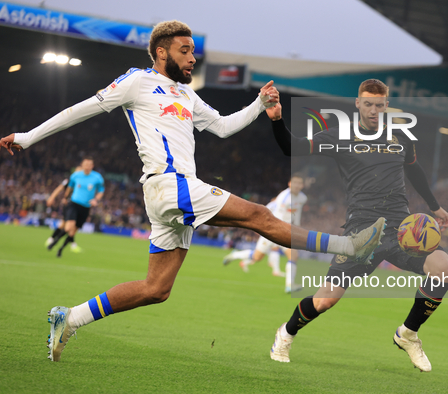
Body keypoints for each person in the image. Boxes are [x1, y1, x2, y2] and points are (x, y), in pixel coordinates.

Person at [0, 21, 386, 362]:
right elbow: (81, 109)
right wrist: (28, 137)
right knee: (259, 216)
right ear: (160, 51)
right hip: (171, 186)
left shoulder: (186, 95)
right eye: (185, 51)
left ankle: (70, 317)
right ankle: (349, 246)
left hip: (171, 193)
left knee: (156, 289)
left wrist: (258, 104)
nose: (192, 59)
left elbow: (221, 126)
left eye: (194, 53)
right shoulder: (137, 80)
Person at [266, 79, 448, 372]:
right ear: (357, 104)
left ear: (386, 106)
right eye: (368, 104)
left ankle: (407, 334)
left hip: (400, 231)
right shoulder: (338, 137)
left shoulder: (400, 138)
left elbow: (414, 171)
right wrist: (277, 120)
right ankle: (286, 333)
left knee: (443, 268)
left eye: (379, 105)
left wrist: (434, 206)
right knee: (325, 301)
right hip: (361, 233)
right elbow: (293, 147)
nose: (373, 110)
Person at [223, 174, 308, 292]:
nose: (297, 185)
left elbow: (297, 213)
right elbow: (278, 217)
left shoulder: (302, 198)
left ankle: (290, 285)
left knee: (293, 255)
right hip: (273, 229)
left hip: (286, 230)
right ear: (289, 184)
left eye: (299, 183)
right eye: (295, 182)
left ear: (302, 185)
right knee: (257, 257)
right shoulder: (284, 197)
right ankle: (235, 255)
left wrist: (297, 227)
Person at [46, 159, 104, 257]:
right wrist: (64, 198)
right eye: (85, 164)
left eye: (89, 165)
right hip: (73, 204)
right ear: (82, 165)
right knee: (67, 226)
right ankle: (53, 241)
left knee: (72, 232)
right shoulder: (75, 176)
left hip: (86, 207)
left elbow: (101, 190)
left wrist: (96, 200)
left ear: (92, 166)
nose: (86, 167)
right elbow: (66, 187)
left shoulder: (97, 177)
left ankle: (61, 249)